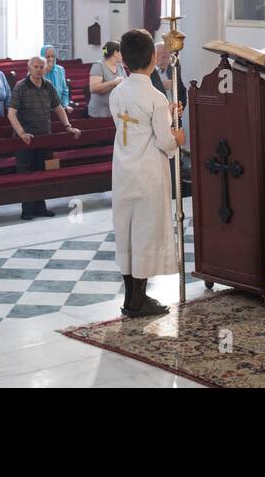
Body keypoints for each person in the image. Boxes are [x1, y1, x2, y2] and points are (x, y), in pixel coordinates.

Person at [109, 28, 185, 317]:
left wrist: (168, 112)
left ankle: (131, 298)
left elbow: (137, 126)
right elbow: (165, 142)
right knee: (144, 235)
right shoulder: (154, 96)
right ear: (154, 58)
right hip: (149, 174)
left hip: (123, 172)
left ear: (125, 60)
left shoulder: (118, 92)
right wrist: (178, 137)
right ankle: (138, 300)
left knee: (127, 234)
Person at [8, 56, 82, 220]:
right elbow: (11, 113)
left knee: (41, 171)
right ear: (29, 67)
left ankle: (40, 207)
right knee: (26, 173)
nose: (38, 69)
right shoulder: (20, 86)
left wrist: (68, 126)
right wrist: (21, 133)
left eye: (41, 67)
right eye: (35, 66)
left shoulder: (48, 86)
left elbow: (59, 108)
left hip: (44, 136)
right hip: (25, 138)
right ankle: (27, 210)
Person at [88, 40, 125, 118]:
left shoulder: (120, 66)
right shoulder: (98, 65)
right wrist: (113, 82)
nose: (124, 55)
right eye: (122, 52)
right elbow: (93, 88)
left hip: (116, 111)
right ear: (115, 53)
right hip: (100, 112)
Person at [151, 41, 187, 117]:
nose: (166, 61)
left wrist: (181, 107)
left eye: (168, 57)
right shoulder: (148, 71)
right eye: (163, 57)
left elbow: (182, 91)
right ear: (154, 56)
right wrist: (161, 85)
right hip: (158, 117)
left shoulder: (173, 69)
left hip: (175, 117)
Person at [40, 44, 72, 109]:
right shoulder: (37, 70)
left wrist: (65, 105)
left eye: (53, 56)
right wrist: (45, 71)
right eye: (48, 57)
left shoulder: (60, 69)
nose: (51, 59)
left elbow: (65, 90)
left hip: (59, 106)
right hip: (42, 107)